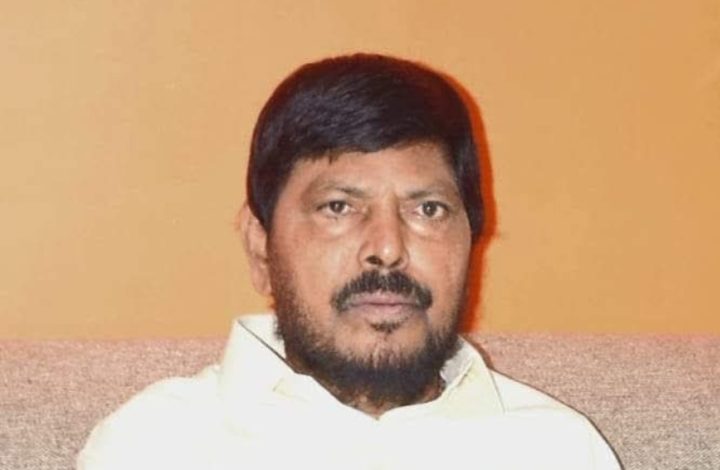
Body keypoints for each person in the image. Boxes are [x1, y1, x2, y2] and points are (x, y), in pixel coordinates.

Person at [78, 53, 621, 469]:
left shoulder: (558, 449)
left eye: (428, 210)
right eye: (338, 207)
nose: (387, 248)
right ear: (260, 244)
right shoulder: (153, 445)